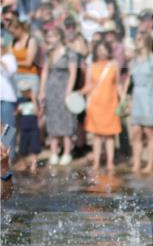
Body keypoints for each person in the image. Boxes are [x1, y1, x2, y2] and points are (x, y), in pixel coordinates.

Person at [38, 27, 77, 166]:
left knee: (66, 121)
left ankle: (67, 152)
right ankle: (54, 152)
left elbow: (73, 73)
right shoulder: (49, 54)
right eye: (48, 37)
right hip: (51, 90)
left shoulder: (69, 53)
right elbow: (44, 73)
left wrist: (68, 91)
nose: (51, 39)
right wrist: (42, 91)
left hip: (64, 89)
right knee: (52, 121)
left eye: (53, 36)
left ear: (59, 37)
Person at [82, 40, 121, 170]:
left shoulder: (114, 64)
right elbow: (88, 86)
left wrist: (124, 100)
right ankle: (96, 162)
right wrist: (76, 94)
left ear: (108, 50)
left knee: (110, 135)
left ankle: (110, 162)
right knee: (97, 135)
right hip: (96, 104)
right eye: (99, 49)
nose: (101, 52)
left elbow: (118, 84)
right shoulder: (92, 66)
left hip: (110, 102)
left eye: (104, 49)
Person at [127, 33, 153, 174]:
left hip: (149, 96)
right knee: (136, 132)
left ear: (146, 42)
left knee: (149, 132)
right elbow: (129, 81)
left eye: (139, 39)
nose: (136, 42)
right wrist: (126, 97)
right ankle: (136, 162)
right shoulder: (134, 60)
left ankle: (150, 164)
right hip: (136, 96)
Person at [15, 80, 40, 173]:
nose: (25, 93)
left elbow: (37, 112)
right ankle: (24, 164)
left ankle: (34, 165)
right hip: (24, 127)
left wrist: (33, 99)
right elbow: (16, 113)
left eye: (27, 91)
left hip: (33, 128)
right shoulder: (20, 100)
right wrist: (18, 111)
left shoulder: (34, 100)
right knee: (22, 148)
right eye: (23, 91)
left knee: (34, 147)